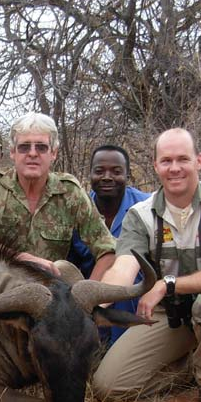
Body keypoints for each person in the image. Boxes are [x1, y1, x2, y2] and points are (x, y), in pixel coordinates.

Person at [92, 128, 201, 402]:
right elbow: (124, 267)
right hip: (170, 314)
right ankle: (191, 365)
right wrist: (90, 306)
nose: (175, 168)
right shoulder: (140, 214)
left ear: (199, 161)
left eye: (183, 159)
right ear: (155, 165)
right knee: (109, 387)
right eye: (166, 161)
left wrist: (166, 284)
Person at [0, 112, 116, 279]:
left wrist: (87, 296)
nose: (32, 153)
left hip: (51, 294)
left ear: (53, 153)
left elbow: (108, 249)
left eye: (41, 147)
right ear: (12, 152)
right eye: (24, 147)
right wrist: (25, 260)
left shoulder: (70, 191)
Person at [68, 145, 151, 345]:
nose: (107, 177)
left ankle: (123, 346)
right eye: (99, 171)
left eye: (116, 171)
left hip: (134, 297)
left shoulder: (147, 206)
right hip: (90, 293)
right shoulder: (79, 207)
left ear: (128, 175)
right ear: (90, 175)